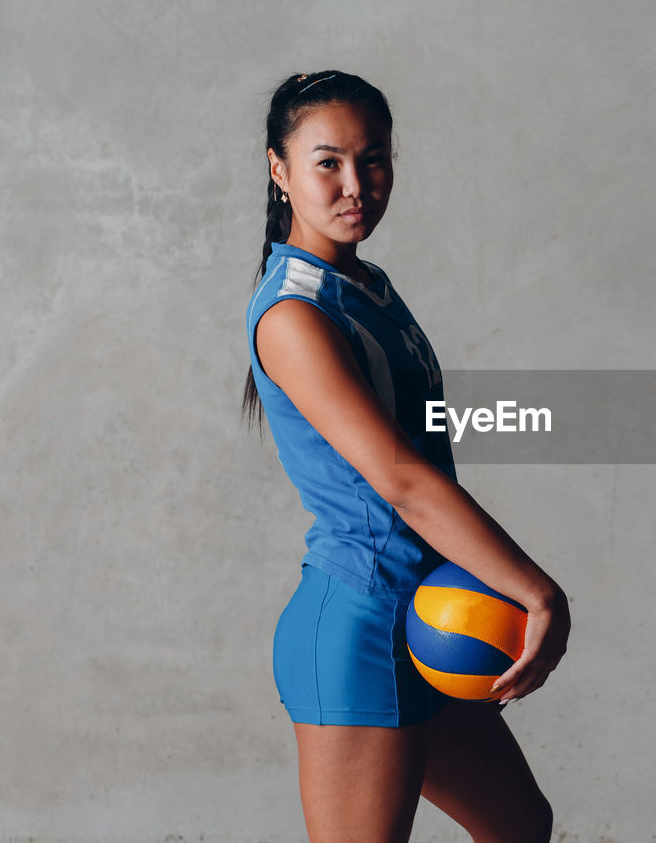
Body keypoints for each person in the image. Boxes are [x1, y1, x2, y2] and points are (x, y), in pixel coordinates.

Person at [242, 70, 570, 843]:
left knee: (520, 824)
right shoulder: (294, 312)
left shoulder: (363, 285)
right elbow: (401, 478)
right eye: (328, 162)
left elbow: (421, 434)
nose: (356, 184)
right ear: (280, 169)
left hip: (430, 614)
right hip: (356, 625)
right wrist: (535, 588)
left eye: (374, 158)